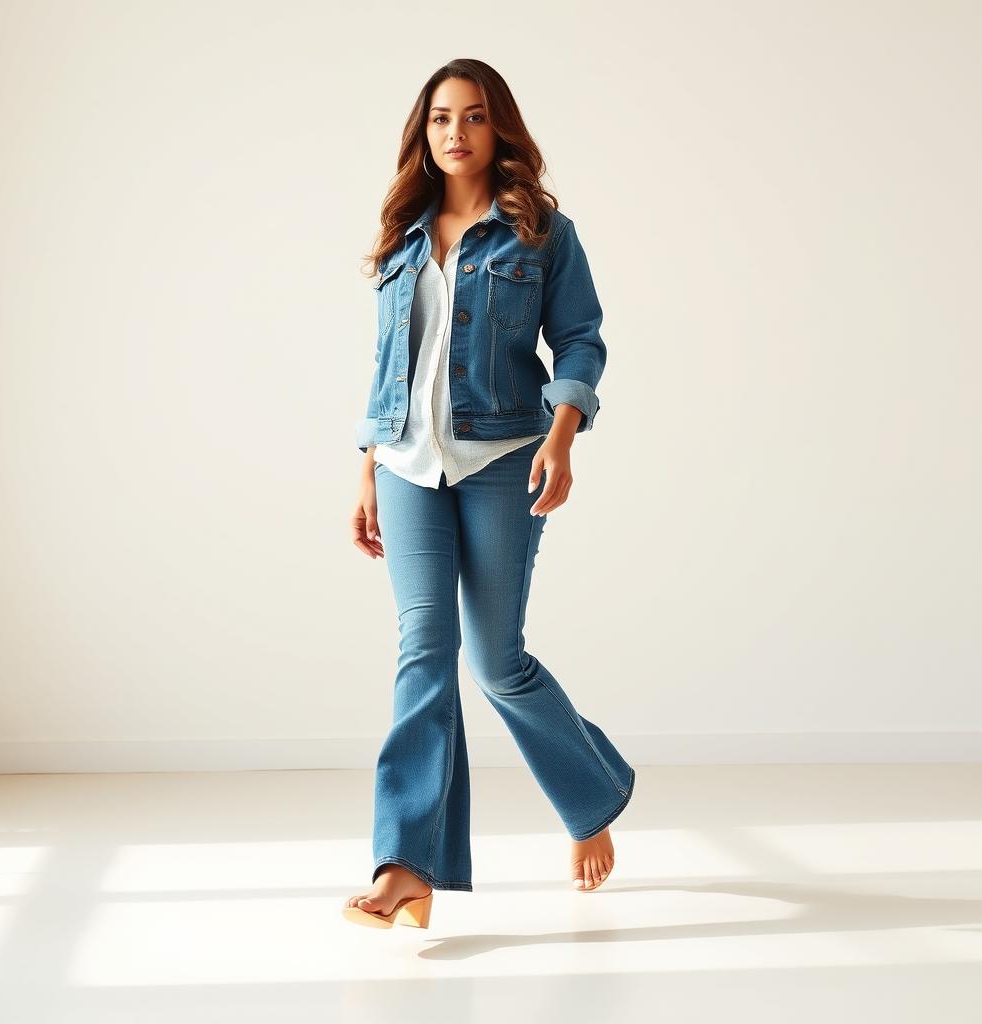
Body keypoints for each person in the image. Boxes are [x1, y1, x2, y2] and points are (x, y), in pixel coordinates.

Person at [344, 59, 636, 929]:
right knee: (421, 653)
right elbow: (389, 363)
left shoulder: (541, 233)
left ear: (498, 127)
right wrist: (365, 466)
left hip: (503, 458)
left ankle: (592, 799)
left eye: (473, 117)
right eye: (440, 119)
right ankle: (406, 867)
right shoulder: (402, 233)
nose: (455, 134)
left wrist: (563, 435)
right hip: (404, 465)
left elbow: (580, 342)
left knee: (496, 662)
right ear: (422, 132)